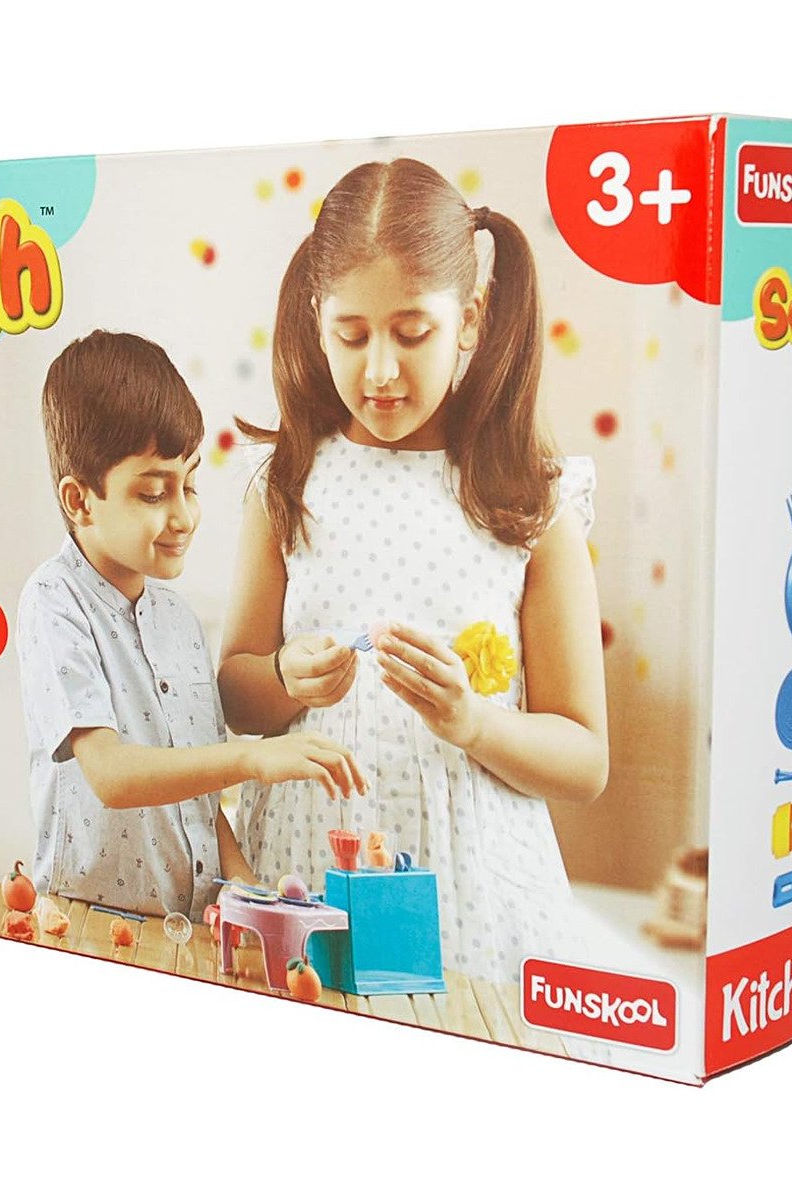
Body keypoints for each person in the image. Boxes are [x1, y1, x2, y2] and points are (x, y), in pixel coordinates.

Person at [218, 159, 609, 983]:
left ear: (469, 320)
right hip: (301, 867)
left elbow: (584, 759)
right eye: (352, 335)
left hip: (478, 896)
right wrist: (284, 677)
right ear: (317, 321)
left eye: (412, 332)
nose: (381, 371)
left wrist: (474, 722)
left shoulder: (532, 502)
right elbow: (237, 695)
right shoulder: (286, 485)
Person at [17, 330, 365, 921]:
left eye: (191, 484)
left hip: (192, 931)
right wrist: (249, 761)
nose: (183, 515)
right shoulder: (53, 603)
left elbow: (199, 799)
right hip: (89, 927)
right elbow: (111, 774)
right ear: (80, 501)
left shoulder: (180, 621)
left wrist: (251, 893)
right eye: (154, 493)